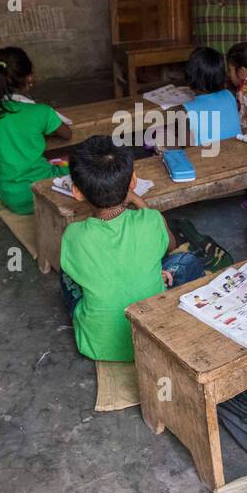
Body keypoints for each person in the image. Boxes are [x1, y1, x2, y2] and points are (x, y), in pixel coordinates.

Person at [59, 136, 204, 361]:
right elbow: (170, 245)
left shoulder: (74, 235)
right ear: (133, 182)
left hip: (98, 346)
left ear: (77, 192)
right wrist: (137, 200)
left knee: (66, 275)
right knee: (186, 260)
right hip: (153, 338)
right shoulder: (150, 220)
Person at [0, 46, 72, 215]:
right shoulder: (41, 112)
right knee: (76, 163)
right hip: (42, 193)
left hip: (8, 194)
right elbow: (67, 134)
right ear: (29, 78)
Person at [179, 47, 240, 148]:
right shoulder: (230, 95)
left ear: (190, 76)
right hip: (238, 154)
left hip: (207, 160)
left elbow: (188, 150)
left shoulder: (187, 109)